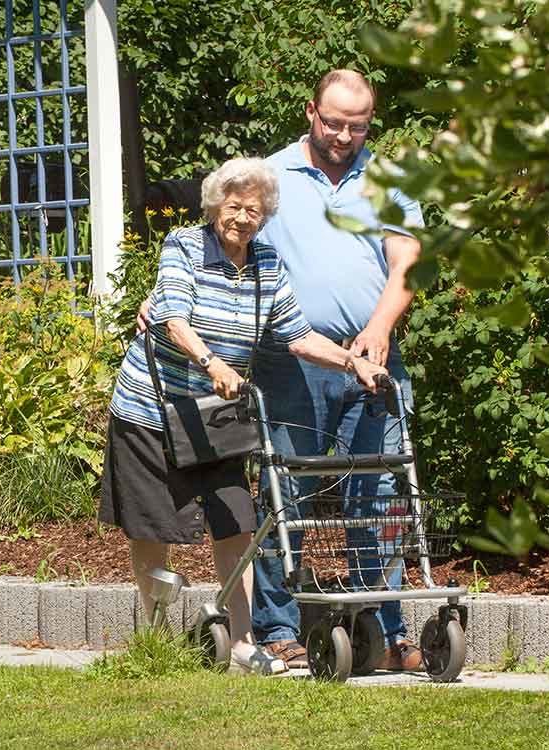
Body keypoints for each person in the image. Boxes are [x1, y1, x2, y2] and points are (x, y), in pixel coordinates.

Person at [102, 156, 389, 675]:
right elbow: (173, 319)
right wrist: (212, 362)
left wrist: (353, 362)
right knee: (153, 525)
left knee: (236, 519)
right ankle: (158, 638)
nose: (242, 217)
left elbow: (298, 336)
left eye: (253, 210)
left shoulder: (267, 263)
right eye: (233, 206)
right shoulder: (184, 247)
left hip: (217, 414)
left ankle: (241, 643)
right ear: (215, 206)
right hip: (151, 408)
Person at [249, 69, 426, 672]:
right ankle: (276, 628)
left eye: (359, 124)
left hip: (373, 362)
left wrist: (378, 329)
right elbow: (225, 244)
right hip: (290, 363)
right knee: (284, 494)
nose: (345, 135)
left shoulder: (391, 179)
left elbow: (406, 259)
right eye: (334, 122)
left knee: (380, 498)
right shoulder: (270, 176)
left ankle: (385, 626)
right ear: (310, 112)